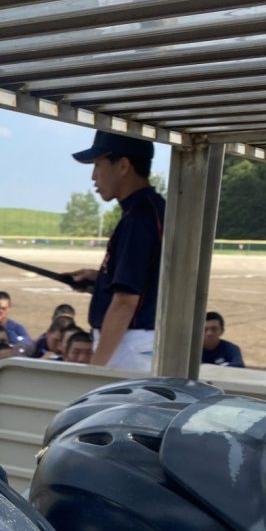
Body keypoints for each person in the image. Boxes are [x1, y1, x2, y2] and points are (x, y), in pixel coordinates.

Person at [67, 131, 165, 371]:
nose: (93, 176)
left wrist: (97, 368)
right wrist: (101, 279)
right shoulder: (151, 208)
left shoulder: (139, 218)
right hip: (138, 342)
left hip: (129, 345)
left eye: (98, 165)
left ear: (123, 166)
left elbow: (125, 302)